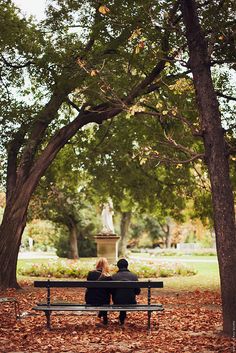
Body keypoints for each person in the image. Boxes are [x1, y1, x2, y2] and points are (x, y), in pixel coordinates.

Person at [111, 258, 140, 325]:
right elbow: (137, 292)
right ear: (127, 266)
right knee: (125, 296)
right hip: (131, 301)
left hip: (117, 302)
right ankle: (122, 318)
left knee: (120, 296)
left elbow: (111, 291)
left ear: (118, 266)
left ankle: (122, 318)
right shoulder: (134, 276)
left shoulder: (114, 276)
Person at [85, 257, 112, 325]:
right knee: (105, 296)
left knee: (100, 294)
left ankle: (100, 315)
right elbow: (110, 291)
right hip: (103, 301)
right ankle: (104, 317)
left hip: (90, 300)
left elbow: (88, 287)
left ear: (97, 264)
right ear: (106, 265)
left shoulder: (90, 273)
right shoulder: (108, 277)